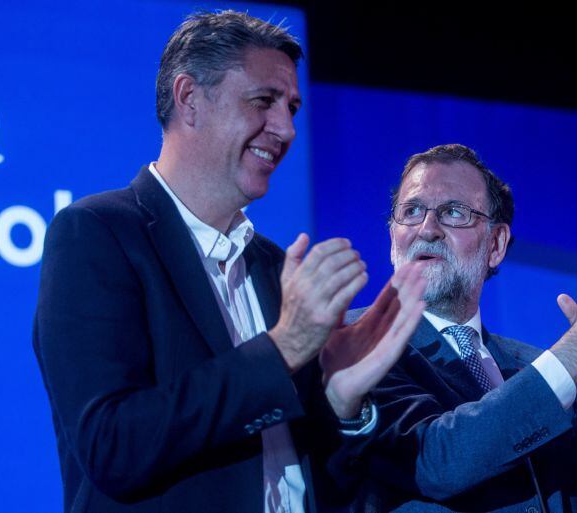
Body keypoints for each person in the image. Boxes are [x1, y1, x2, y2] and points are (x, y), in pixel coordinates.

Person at [33, 11, 425, 513]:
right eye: (263, 101)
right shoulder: (98, 234)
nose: (285, 128)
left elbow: (311, 470)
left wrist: (343, 404)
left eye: (292, 108)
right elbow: (114, 447)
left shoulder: (275, 267)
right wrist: (282, 349)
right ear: (190, 98)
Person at [339, 144, 577, 513]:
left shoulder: (527, 366)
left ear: (496, 244)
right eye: (411, 211)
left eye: (453, 212)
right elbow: (436, 461)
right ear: (393, 235)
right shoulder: (354, 341)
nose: (427, 228)